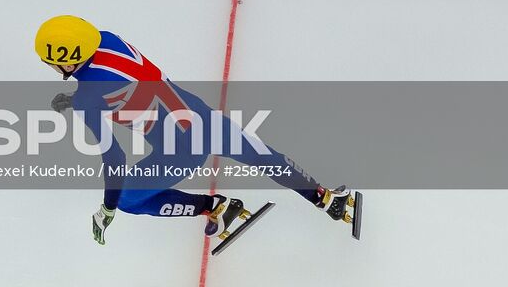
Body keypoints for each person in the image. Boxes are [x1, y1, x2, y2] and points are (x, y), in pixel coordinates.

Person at [35, 15, 360, 247]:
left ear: (67, 58)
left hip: (179, 150)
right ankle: (326, 198)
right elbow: (114, 81)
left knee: (128, 199)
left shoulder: (90, 100)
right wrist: (78, 97)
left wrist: (107, 207)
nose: (49, 67)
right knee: (263, 157)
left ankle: (212, 206)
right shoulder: (106, 39)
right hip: (197, 113)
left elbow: (115, 158)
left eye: (49, 61)